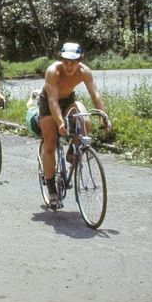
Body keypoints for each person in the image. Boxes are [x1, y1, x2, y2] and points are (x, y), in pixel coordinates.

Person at [29, 42, 110, 209]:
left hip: (68, 100)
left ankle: (72, 151)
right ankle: (52, 190)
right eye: (66, 61)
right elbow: (52, 100)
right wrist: (59, 123)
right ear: (61, 60)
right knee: (50, 145)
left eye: (73, 62)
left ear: (79, 61)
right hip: (48, 103)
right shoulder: (53, 71)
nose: (69, 66)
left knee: (85, 119)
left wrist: (103, 116)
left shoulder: (84, 72)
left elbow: (95, 94)